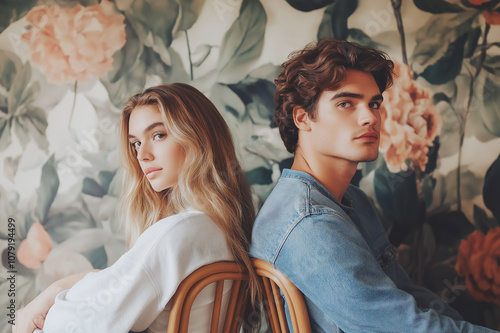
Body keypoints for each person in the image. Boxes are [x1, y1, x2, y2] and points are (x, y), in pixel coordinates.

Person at [249, 39, 499, 333]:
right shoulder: (309, 221)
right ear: (304, 118)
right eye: (346, 103)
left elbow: (410, 300)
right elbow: (402, 328)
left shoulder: (352, 200)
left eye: (374, 104)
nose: (370, 117)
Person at [15, 83, 260, 333]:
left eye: (158, 135)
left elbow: (73, 325)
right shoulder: (214, 229)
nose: (142, 155)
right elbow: (124, 284)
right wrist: (60, 287)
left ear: (198, 136)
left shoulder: (177, 233)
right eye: (135, 144)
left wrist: (53, 294)